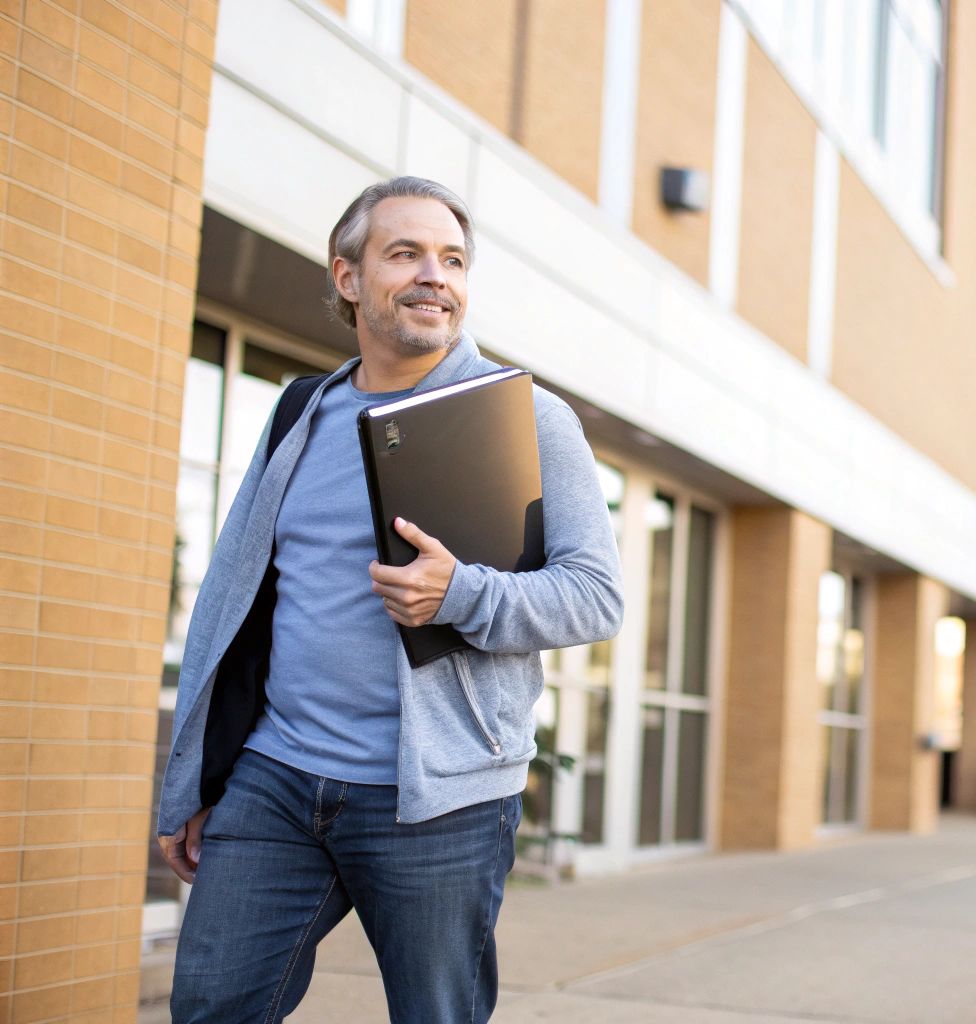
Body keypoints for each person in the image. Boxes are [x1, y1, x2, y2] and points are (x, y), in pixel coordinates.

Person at [154, 177, 624, 1023]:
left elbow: (595, 598)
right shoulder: (302, 412)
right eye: (404, 253)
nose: (433, 276)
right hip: (275, 778)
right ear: (347, 277)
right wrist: (193, 778)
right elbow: (231, 599)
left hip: (438, 801)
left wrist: (463, 594)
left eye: (451, 259)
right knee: (211, 1006)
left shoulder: (527, 419)